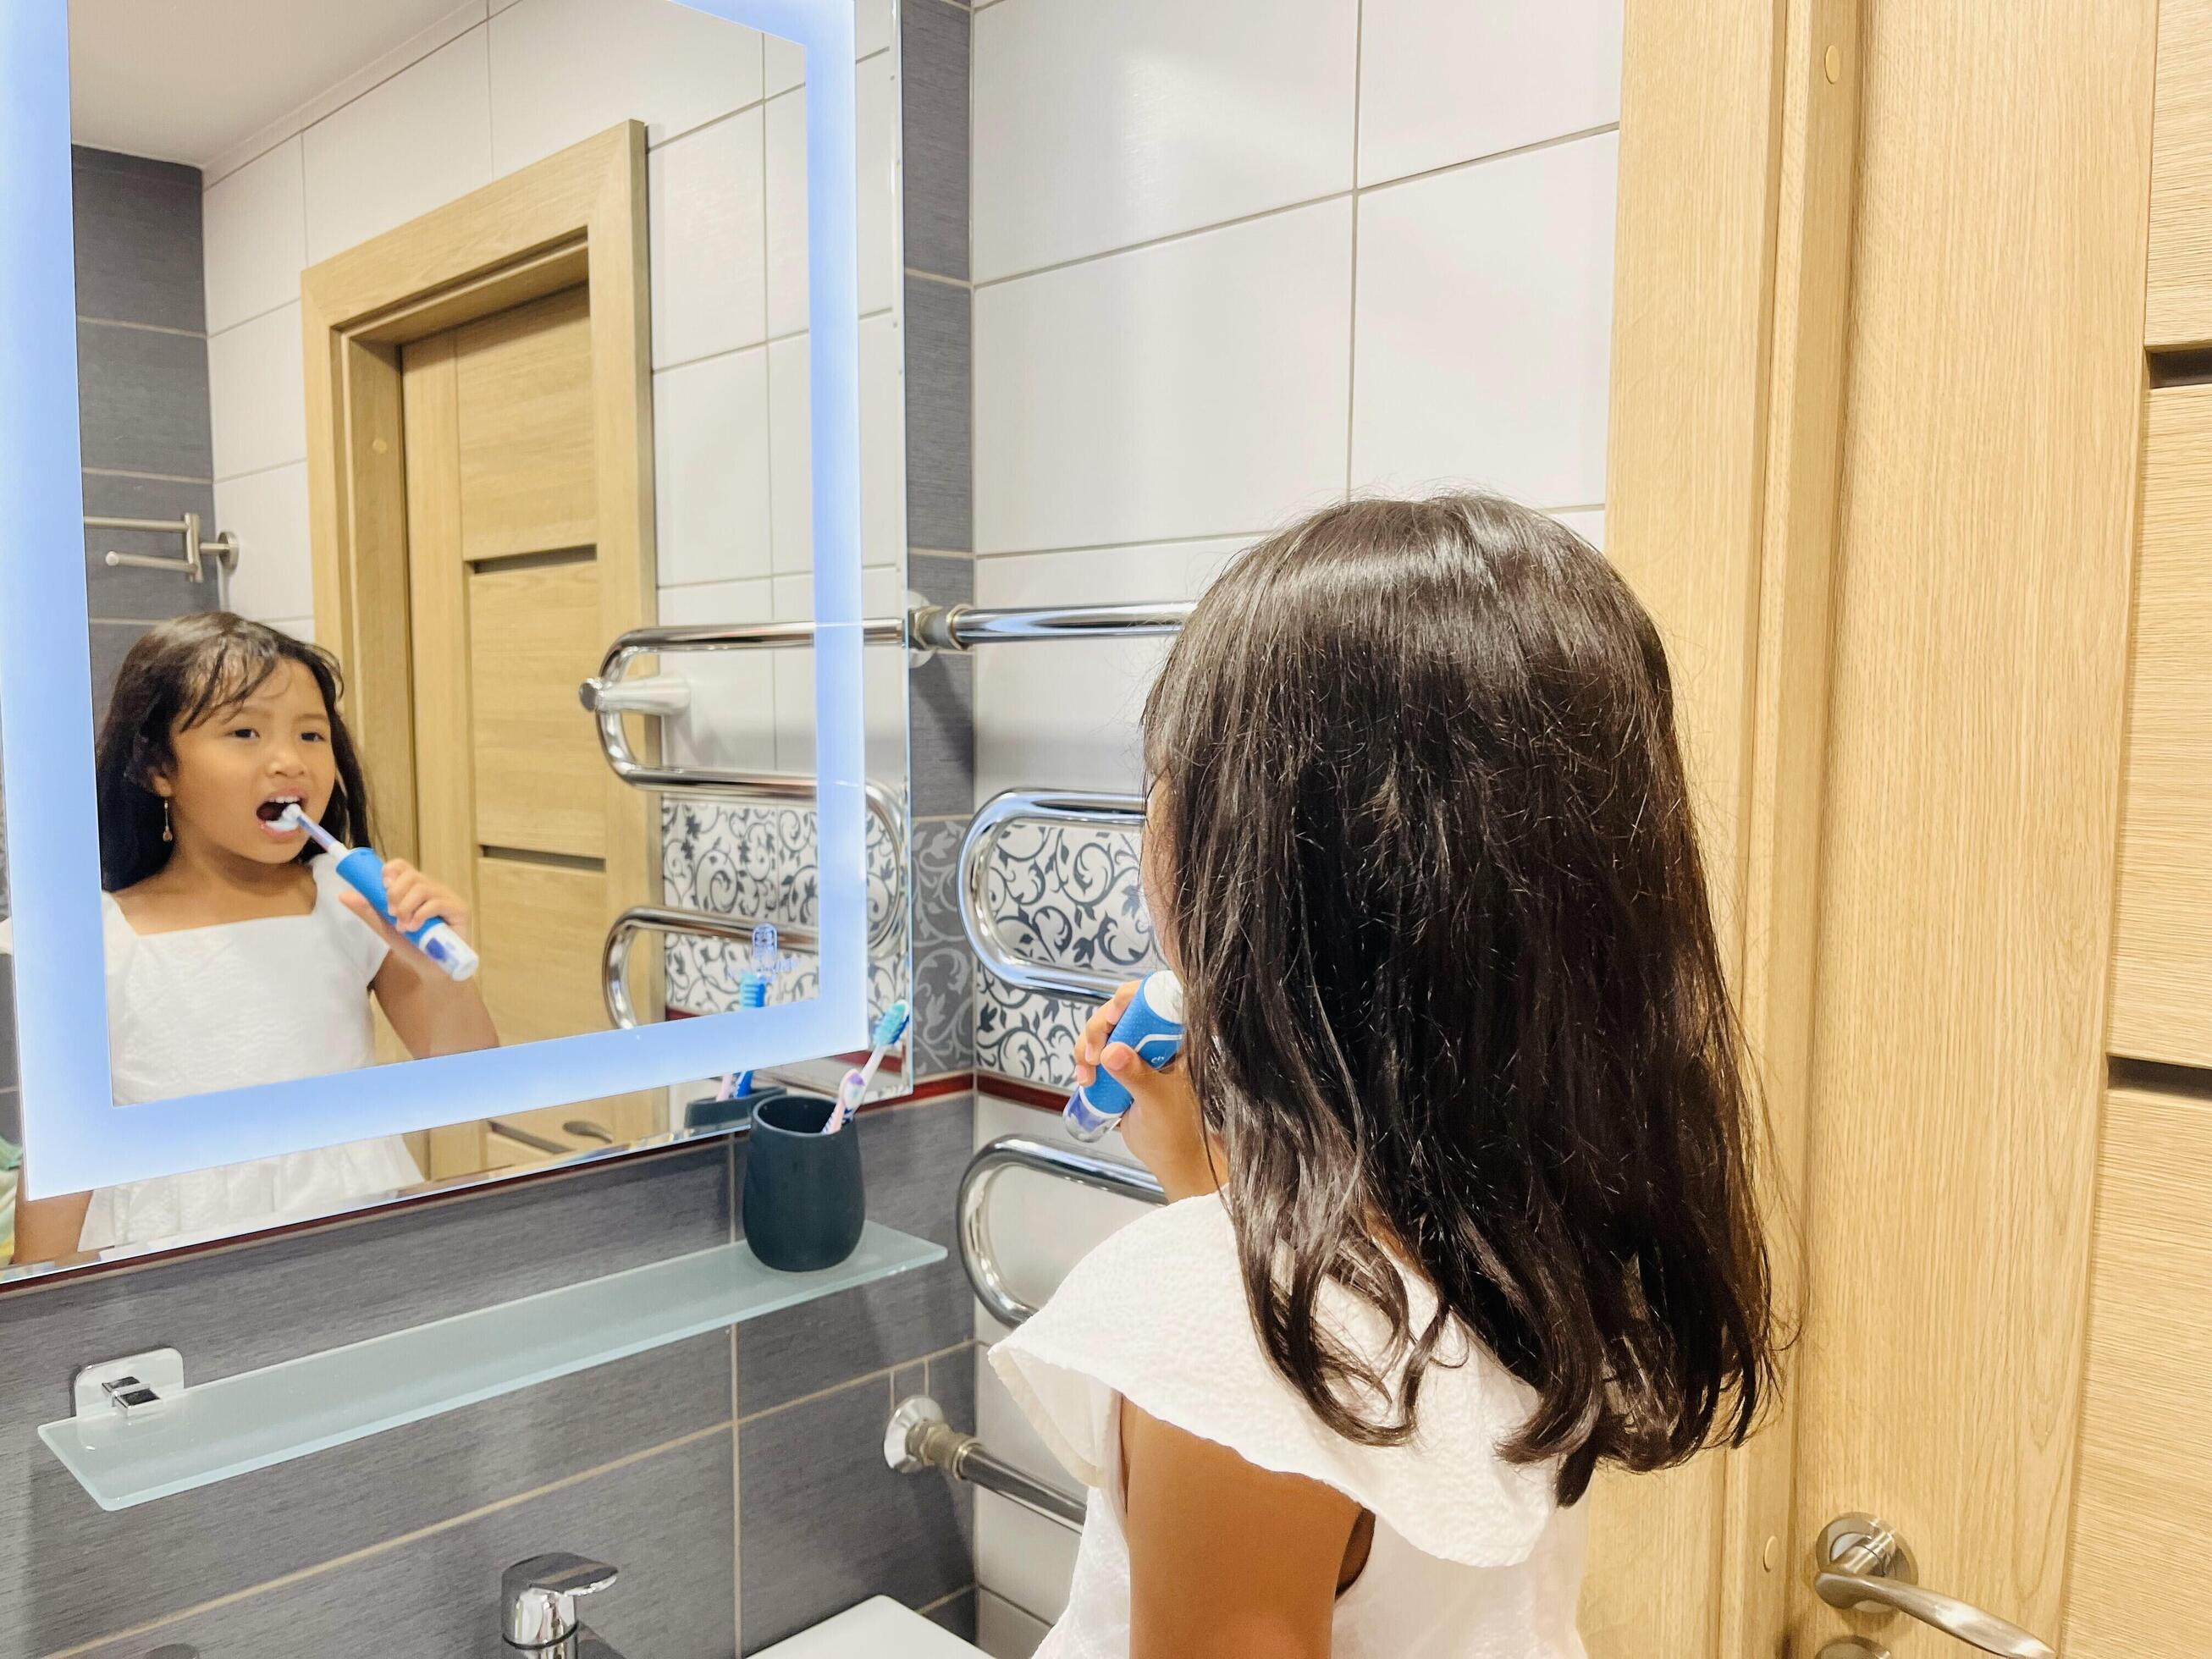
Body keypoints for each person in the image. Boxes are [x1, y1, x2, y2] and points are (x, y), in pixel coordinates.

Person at [990, 495, 1779, 1657]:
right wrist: (1217, 1195)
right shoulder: (1532, 1237)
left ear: (1265, 868)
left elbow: (1267, 1391)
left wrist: (1222, 1254)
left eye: (1173, 774)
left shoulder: (1220, 1325)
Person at [8, 613, 496, 1261]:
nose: (289, 761)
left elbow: (474, 1087)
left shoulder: (347, 899)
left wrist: (434, 968)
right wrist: (42, 1316)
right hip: (165, 1249)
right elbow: (60, 1161)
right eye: (244, 732)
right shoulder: (94, 938)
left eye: (312, 734)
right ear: (158, 765)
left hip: (357, 1226)